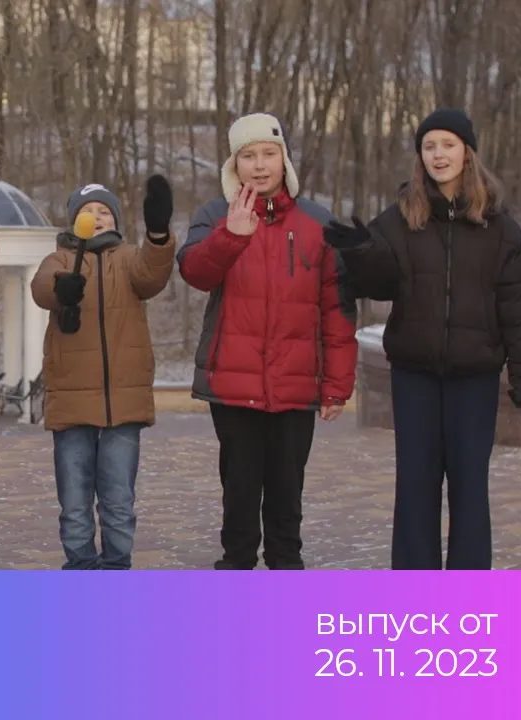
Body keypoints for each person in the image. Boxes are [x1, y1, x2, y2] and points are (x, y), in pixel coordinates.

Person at [322, 108, 521, 570]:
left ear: (467, 153)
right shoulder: (400, 218)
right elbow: (379, 284)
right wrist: (360, 252)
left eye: (447, 145)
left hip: (474, 379)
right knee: (415, 487)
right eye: (429, 146)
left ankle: (468, 591)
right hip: (415, 377)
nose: (438, 155)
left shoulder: (501, 229)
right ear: (420, 155)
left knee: (470, 488)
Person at [177, 113, 358, 570]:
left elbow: (337, 309)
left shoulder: (318, 222)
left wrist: (337, 384)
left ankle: (285, 581)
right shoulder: (214, 216)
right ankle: (236, 581)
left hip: (296, 386)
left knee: (286, 497)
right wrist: (230, 238)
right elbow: (195, 272)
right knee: (239, 495)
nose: (259, 165)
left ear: (284, 160)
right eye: (248, 156)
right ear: (234, 164)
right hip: (234, 386)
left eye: (268, 154)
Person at [29, 176, 176, 570]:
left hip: (122, 403)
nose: (96, 218)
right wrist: (62, 289)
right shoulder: (60, 259)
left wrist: (158, 235)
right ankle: (80, 565)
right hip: (71, 401)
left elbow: (152, 275)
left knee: (119, 497)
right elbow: (41, 287)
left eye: (104, 212)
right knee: (74, 500)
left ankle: (115, 564)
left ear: (116, 220)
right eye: (87, 211)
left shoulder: (129, 259)